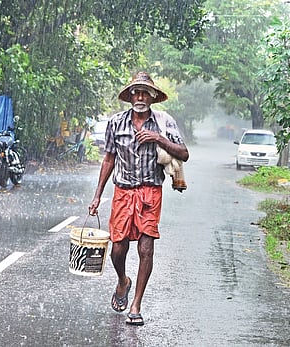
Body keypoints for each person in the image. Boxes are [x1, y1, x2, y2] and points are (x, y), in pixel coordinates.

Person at [88, 71, 189, 326]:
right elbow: (109, 158)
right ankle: (123, 280)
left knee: (146, 248)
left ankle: (136, 304)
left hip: (150, 192)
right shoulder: (116, 123)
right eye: (136, 92)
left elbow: (184, 154)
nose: (140, 97)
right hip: (122, 192)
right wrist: (97, 195)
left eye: (146, 92)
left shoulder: (163, 122)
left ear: (153, 97)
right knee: (118, 248)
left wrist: (158, 138)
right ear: (130, 96)